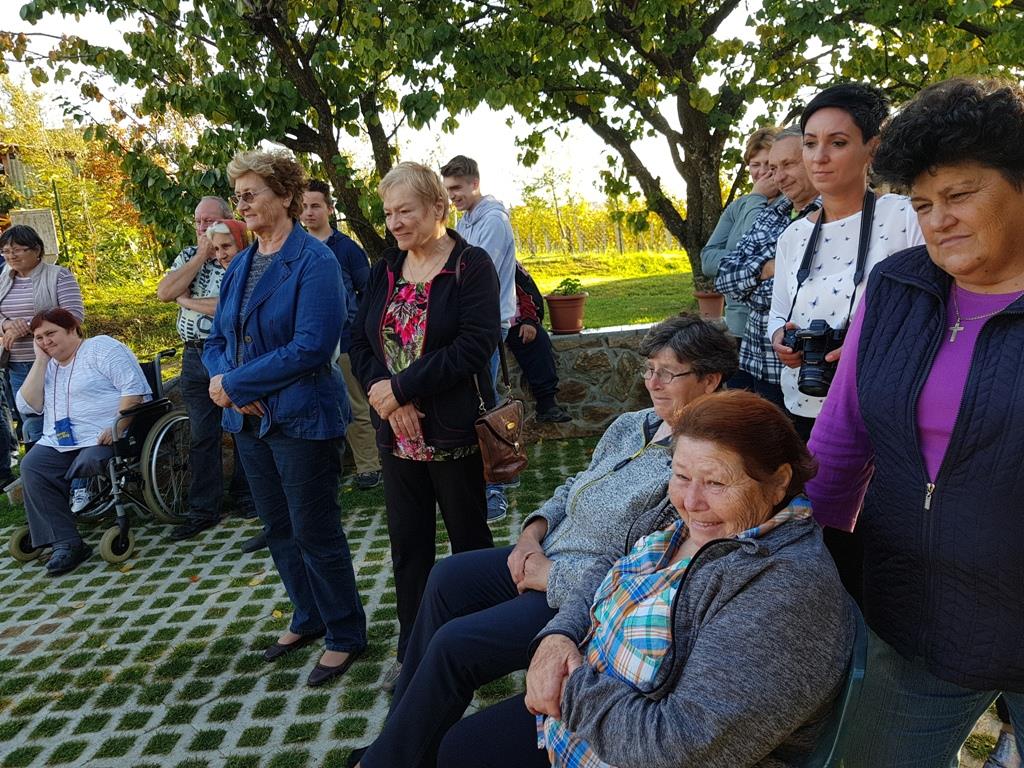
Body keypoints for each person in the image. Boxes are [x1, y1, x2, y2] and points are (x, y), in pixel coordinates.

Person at [347, 313, 739, 768]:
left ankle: (389, 760)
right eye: (649, 368)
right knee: (446, 577)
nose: (652, 382)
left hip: (582, 595)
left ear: (710, 380)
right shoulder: (635, 423)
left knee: (455, 645)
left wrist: (550, 575)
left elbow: (649, 569)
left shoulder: (699, 467)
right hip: (546, 554)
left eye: (668, 373)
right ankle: (401, 735)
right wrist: (531, 535)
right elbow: (574, 486)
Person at [437, 390, 855, 768]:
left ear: (778, 482)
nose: (691, 501)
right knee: (460, 747)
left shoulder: (785, 590)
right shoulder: (691, 524)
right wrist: (558, 636)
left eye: (715, 482)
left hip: (625, 738)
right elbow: (611, 566)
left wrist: (566, 686)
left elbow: (681, 746)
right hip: (590, 711)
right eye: (681, 476)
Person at [806, 77, 1024, 767]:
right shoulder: (897, 288)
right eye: (923, 204)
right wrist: (796, 555)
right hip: (913, 614)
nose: (939, 220)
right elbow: (840, 441)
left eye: (960, 195)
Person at [204, 148, 366, 687]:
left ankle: (345, 632)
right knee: (277, 527)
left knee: (314, 529)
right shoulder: (240, 264)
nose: (242, 205)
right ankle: (308, 614)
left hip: (301, 418)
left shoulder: (315, 262)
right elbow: (219, 340)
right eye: (238, 196)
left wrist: (237, 385)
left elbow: (312, 346)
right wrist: (228, 383)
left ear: (286, 196)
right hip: (249, 422)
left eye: (251, 194)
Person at [350, 161, 500, 693]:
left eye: (405, 211)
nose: (394, 222)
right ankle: (412, 652)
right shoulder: (386, 267)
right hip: (397, 435)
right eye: (388, 213)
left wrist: (403, 388)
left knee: (470, 544)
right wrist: (388, 397)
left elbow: (475, 345)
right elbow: (358, 339)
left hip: (452, 433)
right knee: (408, 548)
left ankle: (481, 645)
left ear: (438, 207)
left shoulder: (470, 265)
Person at [767, 83, 924, 439]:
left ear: (873, 148)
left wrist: (861, 344)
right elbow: (778, 312)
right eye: (810, 144)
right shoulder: (793, 236)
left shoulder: (906, 217)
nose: (819, 157)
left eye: (837, 143)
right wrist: (780, 338)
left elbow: (933, 311)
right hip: (806, 404)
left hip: (882, 404)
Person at [16, 308, 151, 576]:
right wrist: (41, 361)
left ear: (72, 329)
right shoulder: (48, 364)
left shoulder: (101, 348)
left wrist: (117, 426)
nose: (45, 341)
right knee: (33, 466)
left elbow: (133, 389)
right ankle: (67, 543)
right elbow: (27, 406)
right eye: (39, 337)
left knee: (88, 460)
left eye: (51, 333)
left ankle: (67, 524)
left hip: (104, 437)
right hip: (60, 441)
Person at [156, 198, 253, 541]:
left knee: (242, 426)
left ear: (228, 220)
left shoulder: (239, 255)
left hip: (229, 351)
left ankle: (247, 497)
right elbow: (165, 292)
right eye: (198, 221)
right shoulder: (188, 256)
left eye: (209, 221)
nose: (202, 228)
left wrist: (186, 300)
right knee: (201, 434)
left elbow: (230, 306)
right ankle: (203, 509)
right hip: (193, 355)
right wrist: (199, 256)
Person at [715, 126, 820, 409]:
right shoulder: (772, 213)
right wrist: (768, 269)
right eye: (773, 168)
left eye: (788, 165)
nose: (777, 176)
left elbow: (803, 294)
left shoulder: (830, 213)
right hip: (756, 364)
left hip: (804, 371)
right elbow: (724, 277)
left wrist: (755, 285)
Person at [441, 155, 518, 523]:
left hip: (486, 325)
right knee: (484, 401)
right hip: (471, 324)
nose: (452, 196)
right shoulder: (467, 220)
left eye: (457, 188)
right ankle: (506, 467)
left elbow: (475, 280)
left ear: (475, 183)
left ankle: (494, 490)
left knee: (484, 408)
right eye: (448, 190)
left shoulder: (493, 222)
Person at [300, 179, 380, 490]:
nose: (309, 212)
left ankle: (369, 466)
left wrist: (358, 334)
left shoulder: (347, 249)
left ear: (330, 209)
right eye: (303, 206)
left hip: (344, 341)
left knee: (355, 405)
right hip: (307, 344)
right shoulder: (295, 248)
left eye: (315, 206)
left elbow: (369, 294)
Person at [0, 224, 85, 485]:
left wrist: (28, 326)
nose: (11, 256)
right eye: (5, 251)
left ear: (36, 250)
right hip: (18, 364)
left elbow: (74, 316)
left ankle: (78, 480)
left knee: (64, 417)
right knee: (32, 421)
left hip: (58, 362)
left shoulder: (58, 275)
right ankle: (45, 481)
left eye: (17, 250)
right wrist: (6, 325)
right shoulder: (4, 277)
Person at [700, 127, 780, 346]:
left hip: (772, 329)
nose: (762, 172)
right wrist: (749, 262)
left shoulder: (790, 204)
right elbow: (707, 260)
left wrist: (757, 196)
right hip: (737, 327)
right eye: (755, 165)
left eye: (769, 164)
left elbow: (756, 241)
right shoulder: (738, 206)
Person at [507, 260, 571, 423]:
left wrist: (529, 321)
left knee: (537, 342)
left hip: (514, 322)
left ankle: (547, 405)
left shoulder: (508, 261)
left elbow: (528, 291)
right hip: (482, 324)